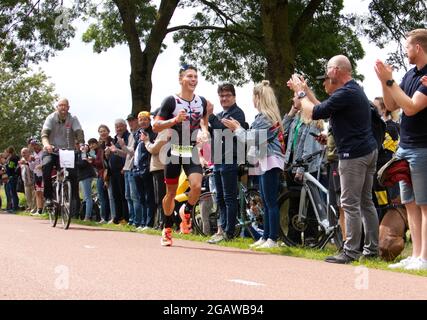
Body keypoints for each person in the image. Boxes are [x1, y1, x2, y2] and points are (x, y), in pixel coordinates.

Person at [288, 55, 379, 263]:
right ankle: (372, 249)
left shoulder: (346, 93)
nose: (326, 74)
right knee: (365, 202)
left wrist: (300, 92)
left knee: (350, 203)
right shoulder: (352, 90)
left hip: (353, 155)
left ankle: (351, 251)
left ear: (336, 71)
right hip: (366, 151)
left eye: (328, 69)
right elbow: (323, 108)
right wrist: (306, 91)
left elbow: (314, 112)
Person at [375, 28, 427, 271]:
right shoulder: (409, 75)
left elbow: (411, 107)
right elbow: (391, 104)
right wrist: (384, 82)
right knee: (410, 204)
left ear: (418, 47)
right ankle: (415, 254)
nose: (405, 50)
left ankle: (424, 257)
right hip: (405, 148)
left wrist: (389, 80)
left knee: (425, 204)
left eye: (407, 46)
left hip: (422, 148)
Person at [222, 80, 286, 248]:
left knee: (270, 201)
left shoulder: (266, 118)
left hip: (270, 160)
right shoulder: (264, 117)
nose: (252, 99)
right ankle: (266, 237)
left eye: (253, 96)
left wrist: (237, 128)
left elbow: (251, 139)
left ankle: (272, 238)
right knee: (266, 201)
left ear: (259, 98)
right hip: (265, 160)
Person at [153, 64, 211, 246]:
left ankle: (186, 210)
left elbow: (204, 120)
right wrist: (174, 120)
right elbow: (155, 126)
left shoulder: (201, 101)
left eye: (195, 76)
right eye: (189, 76)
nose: (193, 80)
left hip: (191, 149)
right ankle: (167, 227)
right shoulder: (171, 101)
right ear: (181, 80)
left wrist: (204, 131)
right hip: (174, 150)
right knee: (170, 194)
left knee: (196, 185)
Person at [206, 83, 246, 244]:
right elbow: (215, 131)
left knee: (229, 198)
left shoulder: (237, 113)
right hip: (218, 160)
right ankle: (221, 229)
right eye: (221, 96)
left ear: (234, 97)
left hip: (230, 159)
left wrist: (210, 116)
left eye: (227, 95)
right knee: (220, 198)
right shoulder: (221, 114)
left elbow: (223, 130)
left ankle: (229, 231)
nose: (224, 98)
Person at [41, 98, 84, 216]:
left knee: (73, 176)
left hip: (67, 152)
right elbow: (44, 135)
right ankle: (48, 197)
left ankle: (74, 204)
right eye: (60, 105)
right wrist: (47, 145)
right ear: (57, 107)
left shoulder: (73, 119)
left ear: (68, 107)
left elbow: (79, 132)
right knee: (46, 166)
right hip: (51, 151)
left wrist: (81, 144)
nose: (63, 107)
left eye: (65, 105)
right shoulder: (51, 118)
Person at [142, 111, 169, 230]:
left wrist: (146, 141)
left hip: (161, 167)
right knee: (159, 198)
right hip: (157, 168)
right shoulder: (161, 131)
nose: (154, 120)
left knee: (161, 198)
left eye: (155, 117)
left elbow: (154, 149)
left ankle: (163, 223)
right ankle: (160, 222)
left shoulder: (164, 131)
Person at [115, 113, 139, 227]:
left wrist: (122, 146)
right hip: (127, 168)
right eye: (129, 121)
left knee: (134, 196)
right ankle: (131, 219)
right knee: (128, 196)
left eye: (132, 120)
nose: (131, 123)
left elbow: (132, 152)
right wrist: (116, 150)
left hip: (134, 168)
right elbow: (127, 154)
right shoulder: (131, 135)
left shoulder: (136, 134)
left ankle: (137, 221)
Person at [134, 111, 156, 230]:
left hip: (147, 169)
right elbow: (135, 151)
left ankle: (149, 223)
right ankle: (142, 222)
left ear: (149, 120)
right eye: (140, 119)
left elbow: (152, 149)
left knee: (149, 197)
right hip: (137, 169)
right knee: (141, 197)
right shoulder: (137, 134)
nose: (143, 122)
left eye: (145, 119)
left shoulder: (152, 133)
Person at [107, 119, 130, 224]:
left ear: (125, 126)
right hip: (114, 171)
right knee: (116, 195)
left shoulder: (127, 137)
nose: (118, 129)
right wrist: (107, 153)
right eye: (116, 127)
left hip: (122, 170)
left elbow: (128, 153)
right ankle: (117, 217)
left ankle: (125, 217)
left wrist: (124, 166)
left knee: (123, 195)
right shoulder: (115, 139)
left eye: (120, 126)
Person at [97, 125, 116, 224]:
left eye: (104, 131)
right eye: (100, 131)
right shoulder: (101, 145)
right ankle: (105, 217)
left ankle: (113, 217)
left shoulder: (111, 141)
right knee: (105, 197)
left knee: (111, 196)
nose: (102, 133)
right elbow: (101, 161)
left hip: (112, 172)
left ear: (108, 131)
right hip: (104, 173)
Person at [76, 143, 97, 221]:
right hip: (83, 176)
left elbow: (83, 163)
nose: (80, 146)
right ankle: (85, 215)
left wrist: (75, 164)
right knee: (85, 197)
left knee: (88, 197)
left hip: (87, 176)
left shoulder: (84, 153)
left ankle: (87, 217)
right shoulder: (79, 153)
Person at [28, 139, 44, 215]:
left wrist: (42, 166)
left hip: (43, 174)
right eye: (32, 145)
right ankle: (39, 210)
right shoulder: (33, 154)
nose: (34, 147)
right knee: (37, 192)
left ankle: (45, 209)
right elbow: (31, 168)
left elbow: (46, 163)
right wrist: (30, 161)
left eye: (35, 145)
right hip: (36, 175)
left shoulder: (43, 153)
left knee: (43, 192)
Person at [19, 147, 36, 214]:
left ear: (28, 152)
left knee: (34, 196)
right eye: (22, 153)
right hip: (25, 181)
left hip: (33, 180)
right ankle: (31, 208)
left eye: (24, 152)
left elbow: (33, 167)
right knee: (28, 197)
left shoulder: (32, 158)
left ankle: (35, 210)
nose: (23, 154)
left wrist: (26, 162)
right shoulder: (21, 160)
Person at [4, 146, 20, 213]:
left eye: (6, 152)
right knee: (12, 192)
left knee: (13, 192)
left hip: (12, 176)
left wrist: (6, 167)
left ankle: (15, 208)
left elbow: (11, 167)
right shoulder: (12, 157)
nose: (5, 154)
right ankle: (13, 207)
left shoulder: (13, 158)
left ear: (8, 152)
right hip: (12, 176)